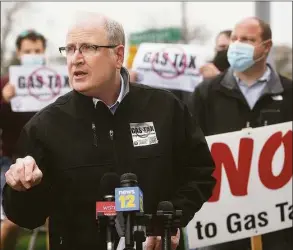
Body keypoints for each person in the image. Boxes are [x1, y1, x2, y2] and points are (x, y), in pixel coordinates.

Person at [2, 12, 216, 250]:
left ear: (118, 55)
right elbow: (26, 217)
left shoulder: (165, 108)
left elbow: (199, 172)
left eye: (88, 47)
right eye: (70, 49)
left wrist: (169, 222)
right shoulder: (44, 126)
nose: (76, 59)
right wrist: (22, 189)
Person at [190, 17, 292, 250]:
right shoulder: (207, 92)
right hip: (222, 227)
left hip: (277, 226)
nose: (237, 45)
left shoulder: (289, 93)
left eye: (247, 39)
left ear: (266, 46)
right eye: (235, 39)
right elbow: (190, 149)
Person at [0, 29, 47, 250]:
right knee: (9, 224)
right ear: (19, 53)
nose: (32, 54)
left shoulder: (57, 80)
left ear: (44, 52)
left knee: (58, 220)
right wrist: (3, 99)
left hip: (49, 160)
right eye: (28, 51)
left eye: (37, 50)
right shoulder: (5, 84)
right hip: (11, 159)